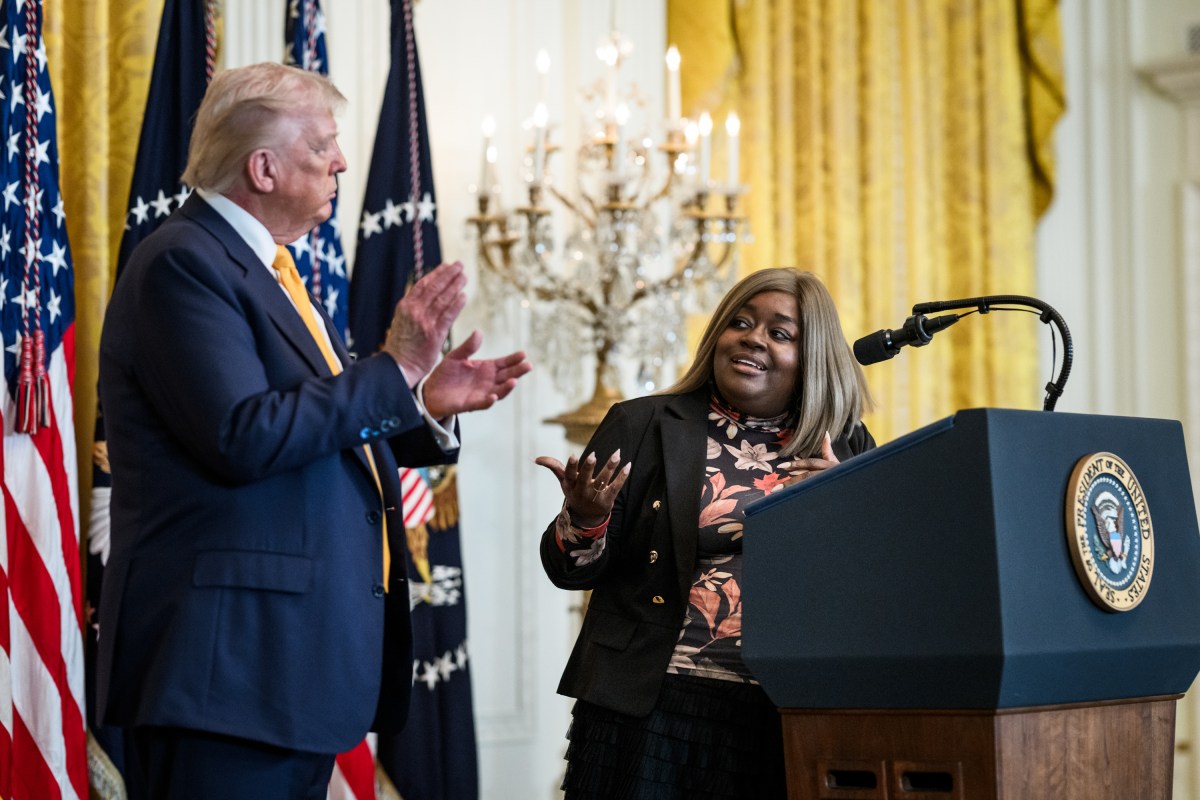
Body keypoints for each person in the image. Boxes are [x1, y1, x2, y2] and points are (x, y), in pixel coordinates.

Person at [94, 62, 530, 799]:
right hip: (226, 673)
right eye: (322, 145)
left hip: (280, 673)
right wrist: (392, 367)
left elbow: (313, 429)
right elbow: (242, 435)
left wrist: (422, 402)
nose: (341, 162)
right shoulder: (184, 262)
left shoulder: (266, 268)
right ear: (262, 167)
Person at [536, 268, 875, 799]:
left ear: (814, 358)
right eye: (739, 322)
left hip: (782, 704)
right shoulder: (642, 423)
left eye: (780, 333)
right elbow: (569, 571)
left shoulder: (847, 445)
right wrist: (585, 520)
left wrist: (846, 507)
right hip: (649, 699)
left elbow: (872, 581)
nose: (753, 338)